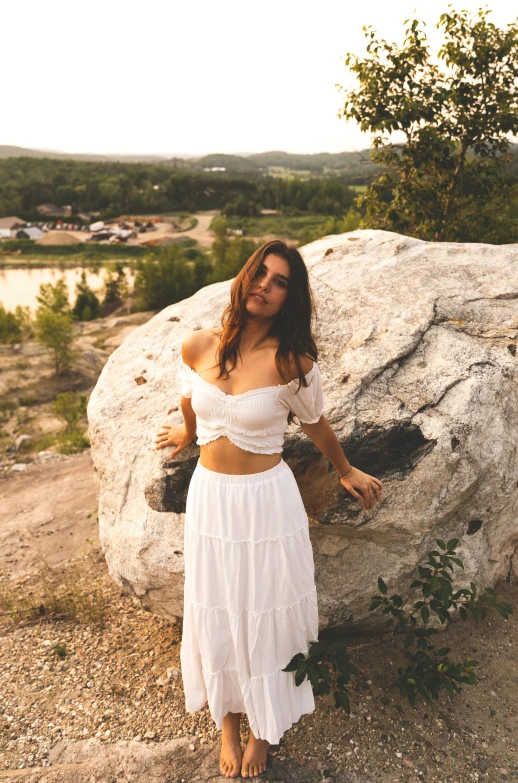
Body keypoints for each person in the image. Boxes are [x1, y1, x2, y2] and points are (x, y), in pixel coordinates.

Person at [154, 239, 384, 779]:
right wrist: (188, 432)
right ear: (245, 276)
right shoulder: (198, 345)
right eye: (261, 273)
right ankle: (227, 721)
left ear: (289, 297)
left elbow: (314, 423)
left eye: (280, 281)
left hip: (267, 503)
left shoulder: (292, 360)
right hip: (211, 498)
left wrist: (346, 469)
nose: (266, 285)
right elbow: (191, 395)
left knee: (265, 608)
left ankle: (263, 727)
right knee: (216, 602)